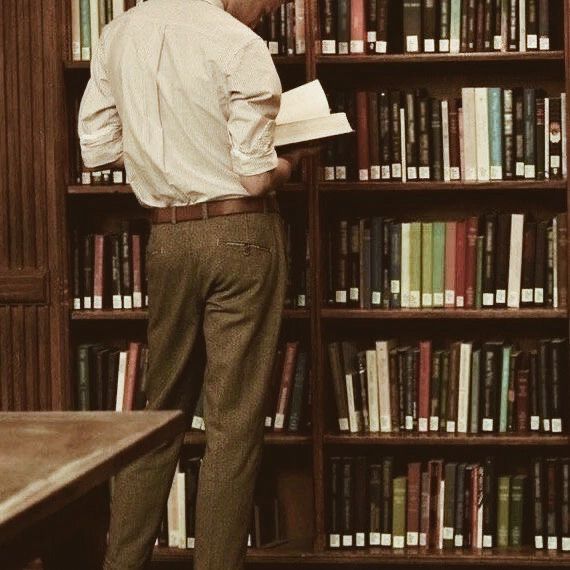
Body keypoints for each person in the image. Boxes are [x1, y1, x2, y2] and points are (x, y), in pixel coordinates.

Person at [78, 0, 311, 568]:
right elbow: (256, 177)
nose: (263, 12)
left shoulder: (115, 35)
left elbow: (98, 149)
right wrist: (293, 161)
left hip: (168, 239)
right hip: (242, 233)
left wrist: (167, 149)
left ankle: (123, 562)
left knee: (159, 414)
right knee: (233, 421)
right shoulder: (237, 44)